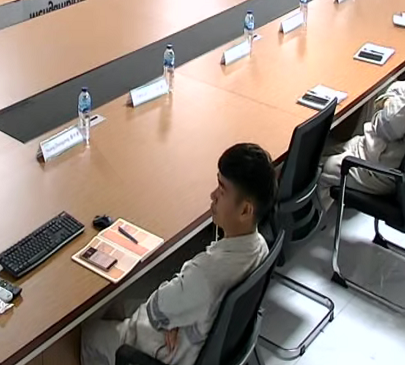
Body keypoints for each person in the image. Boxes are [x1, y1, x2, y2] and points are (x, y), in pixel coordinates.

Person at [81, 143, 274, 365]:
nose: (212, 195)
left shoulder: (205, 276)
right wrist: (174, 317)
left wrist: (170, 316)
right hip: (202, 334)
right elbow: (177, 303)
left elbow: (156, 309)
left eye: (221, 191)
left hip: (173, 350)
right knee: (118, 307)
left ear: (245, 210)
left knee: (89, 334)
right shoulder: (261, 247)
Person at [320, 22, 405, 199]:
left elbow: (384, 127)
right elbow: (399, 87)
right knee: (326, 151)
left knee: (326, 168)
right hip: (383, 152)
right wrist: (390, 103)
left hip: (382, 169)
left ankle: (318, 214)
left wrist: (385, 105)